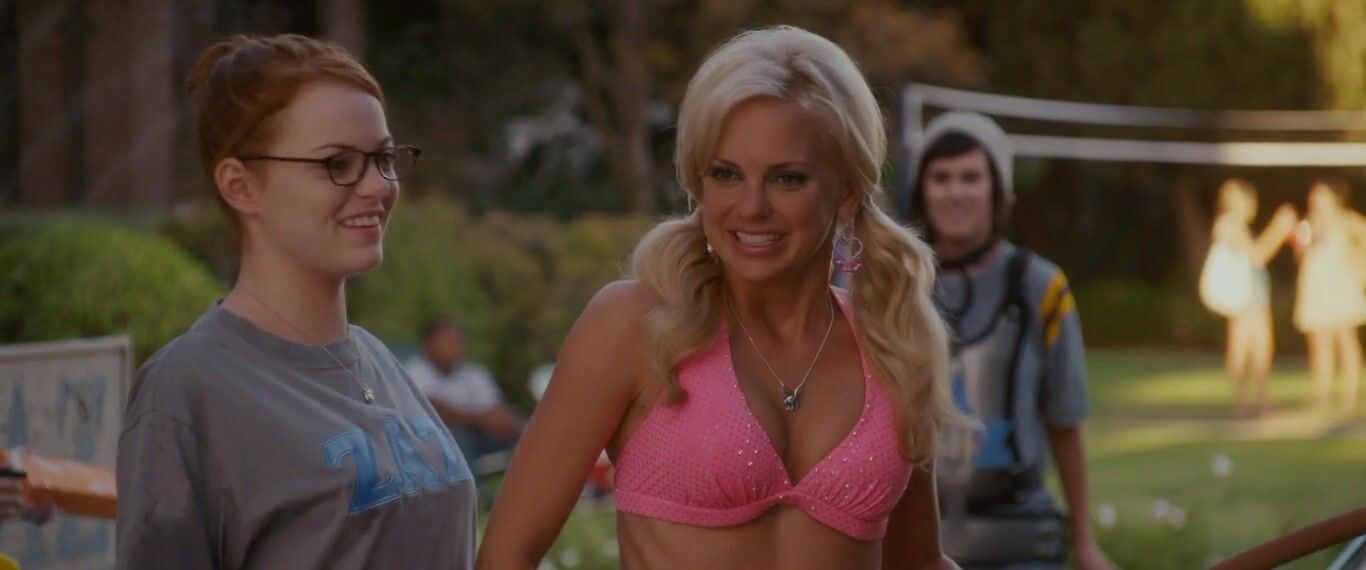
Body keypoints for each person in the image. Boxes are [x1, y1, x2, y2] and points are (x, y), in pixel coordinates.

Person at [479, 26, 960, 570]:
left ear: (847, 192)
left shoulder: (892, 344)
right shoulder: (634, 326)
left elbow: (920, 563)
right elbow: (505, 556)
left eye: (787, 179)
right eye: (725, 174)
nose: (750, 207)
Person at [116, 34, 476, 569]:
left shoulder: (377, 360)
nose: (378, 186)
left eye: (383, 157)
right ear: (240, 186)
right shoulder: (188, 391)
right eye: (337, 163)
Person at [902, 112, 1114, 569]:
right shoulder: (892, 286)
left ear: (998, 191)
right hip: (914, 539)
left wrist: (1084, 542)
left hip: (1017, 539)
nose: (955, 192)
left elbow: (1065, 423)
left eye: (970, 177)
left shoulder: (1041, 287)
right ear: (921, 190)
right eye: (940, 178)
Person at [1201, 179, 1296, 418]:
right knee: (1243, 346)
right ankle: (1242, 401)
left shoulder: (1235, 225)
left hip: (1253, 293)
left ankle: (1261, 400)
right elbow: (1257, 255)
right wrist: (1278, 229)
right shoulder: (1229, 224)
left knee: (1260, 346)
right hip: (1245, 294)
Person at [406, 317, 524, 468]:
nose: (455, 347)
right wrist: (480, 419)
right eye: (447, 341)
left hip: (481, 435)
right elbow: (434, 409)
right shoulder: (413, 371)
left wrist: (514, 425)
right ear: (427, 344)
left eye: (458, 341)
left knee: (521, 433)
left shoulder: (474, 373)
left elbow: (494, 409)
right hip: (437, 442)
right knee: (455, 440)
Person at [1291, 179, 1366, 413]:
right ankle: (1322, 392)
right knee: (1319, 342)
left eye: (1320, 194)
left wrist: (1359, 262)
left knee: (1346, 338)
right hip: (1316, 286)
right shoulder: (1308, 223)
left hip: (1341, 285)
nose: (1315, 199)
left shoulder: (1347, 220)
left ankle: (1349, 393)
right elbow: (1301, 255)